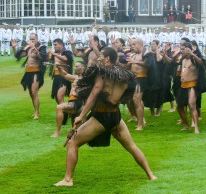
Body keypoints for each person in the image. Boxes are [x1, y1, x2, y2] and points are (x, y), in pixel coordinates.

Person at [54, 47, 157, 186]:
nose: (99, 58)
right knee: (131, 146)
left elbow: (94, 93)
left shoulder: (102, 73)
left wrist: (82, 115)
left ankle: (68, 180)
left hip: (101, 116)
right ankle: (150, 174)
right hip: (115, 116)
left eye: (101, 56)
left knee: (73, 143)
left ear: (107, 58)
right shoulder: (125, 75)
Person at [12, 33, 48, 119]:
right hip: (28, 72)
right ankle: (35, 111)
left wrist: (37, 52)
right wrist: (14, 47)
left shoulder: (42, 47)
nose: (31, 41)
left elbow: (44, 58)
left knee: (34, 91)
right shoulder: (27, 47)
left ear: (37, 39)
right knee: (31, 93)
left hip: (36, 72)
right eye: (30, 39)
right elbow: (18, 56)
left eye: (33, 39)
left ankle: (37, 113)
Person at [51, 61, 87, 138]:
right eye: (75, 66)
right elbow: (65, 74)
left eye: (77, 66)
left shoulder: (85, 79)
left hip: (78, 102)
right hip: (73, 101)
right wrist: (59, 68)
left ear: (83, 68)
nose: (75, 68)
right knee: (76, 129)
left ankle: (57, 132)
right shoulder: (76, 78)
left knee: (59, 107)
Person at [177, 42, 205, 133]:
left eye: (183, 49)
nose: (182, 51)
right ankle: (186, 125)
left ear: (188, 50)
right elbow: (180, 72)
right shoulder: (183, 60)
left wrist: (193, 54)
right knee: (179, 107)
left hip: (192, 85)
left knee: (192, 105)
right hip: (183, 85)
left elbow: (201, 63)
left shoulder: (194, 59)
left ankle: (196, 127)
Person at [48, 38, 74, 105]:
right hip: (56, 77)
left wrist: (54, 54)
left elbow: (65, 59)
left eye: (56, 45)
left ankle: (63, 112)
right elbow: (48, 60)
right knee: (56, 97)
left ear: (61, 45)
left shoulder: (66, 52)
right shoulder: (55, 54)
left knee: (60, 97)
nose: (54, 46)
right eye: (54, 45)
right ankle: (63, 113)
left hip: (64, 77)